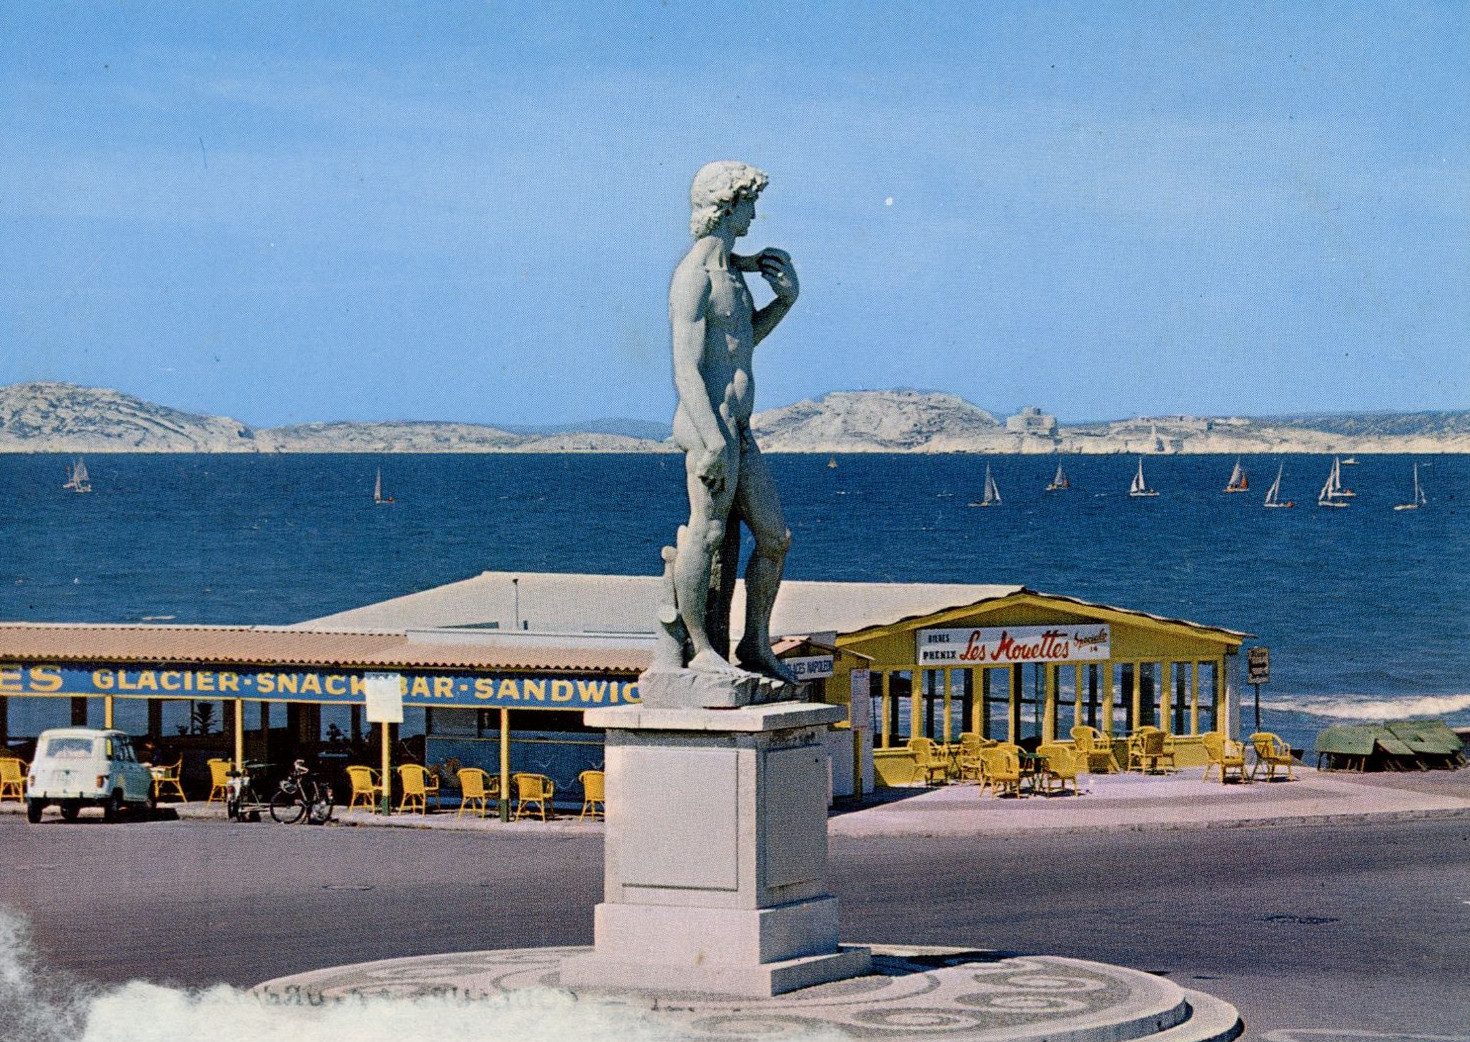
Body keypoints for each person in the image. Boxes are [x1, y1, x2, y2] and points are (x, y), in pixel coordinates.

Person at [669, 161, 800, 683]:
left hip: (738, 430)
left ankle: (754, 642)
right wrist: (710, 440)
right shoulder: (695, 276)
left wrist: (785, 302)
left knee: (775, 537)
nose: (755, 213)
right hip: (710, 428)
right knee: (705, 535)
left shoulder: (730, 274)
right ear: (727, 205)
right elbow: (686, 368)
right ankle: (702, 648)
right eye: (749, 202)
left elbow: (741, 346)